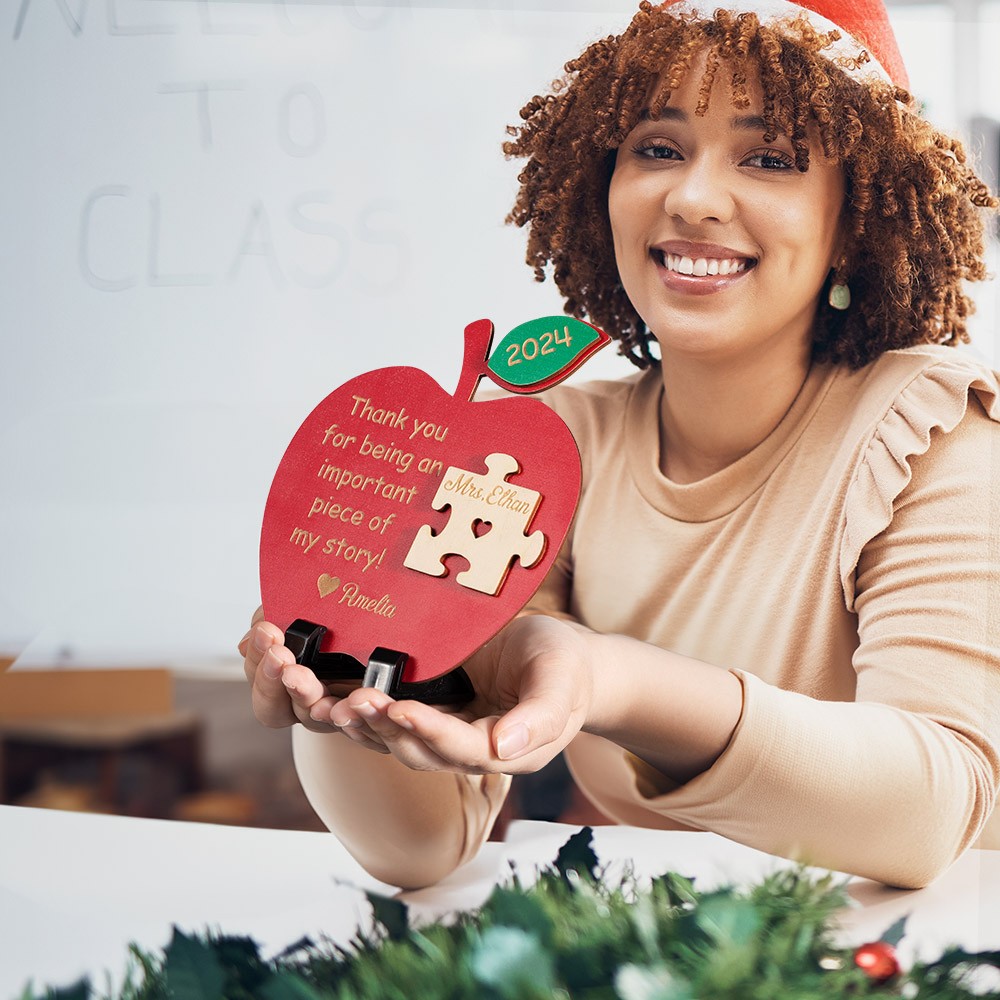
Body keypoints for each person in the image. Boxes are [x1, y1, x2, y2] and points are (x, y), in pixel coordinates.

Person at [241, 0, 1000, 890]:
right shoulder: (552, 447)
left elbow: (933, 806)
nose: (693, 197)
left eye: (769, 158)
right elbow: (418, 851)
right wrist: (349, 697)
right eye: (658, 147)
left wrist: (611, 680)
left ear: (857, 218)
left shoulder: (934, 435)